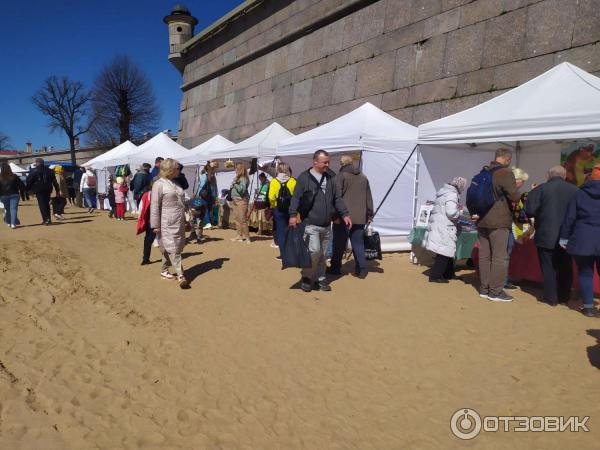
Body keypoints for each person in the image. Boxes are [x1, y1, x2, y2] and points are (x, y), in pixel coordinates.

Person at [289, 150, 351, 293]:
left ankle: (321, 278)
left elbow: (337, 198)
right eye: (325, 162)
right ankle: (307, 276)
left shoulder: (331, 177)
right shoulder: (304, 178)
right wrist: (293, 215)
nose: (328, 165)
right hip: (310, 223)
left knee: (323, 254)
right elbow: (296, 198)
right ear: (315, 162)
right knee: (315, 251)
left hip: (326, 225)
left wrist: (345, 214)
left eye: (328, 162)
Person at [526, 166, 579, 305]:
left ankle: (551, 297)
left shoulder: (541, 189)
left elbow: (530, 210)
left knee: (548, 266)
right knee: (566, 266)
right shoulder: (575, 190)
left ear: (549, 175)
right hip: (568, 235)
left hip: (545, 232)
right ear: (565, 176)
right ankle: (564, 296)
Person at [473, 148, 520, 302]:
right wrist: (517, 187)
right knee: (499, 257)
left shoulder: (483, 172)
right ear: (507, 159)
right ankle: (496, 291)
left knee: (484, 256)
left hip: (482, 219)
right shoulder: (505, 173)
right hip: (499, 221)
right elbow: (514, 196)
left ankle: (484, 289)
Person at [559, 164, 600, 317]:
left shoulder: (579, 193)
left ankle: (588, 307)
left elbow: (570, 217)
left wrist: (564, 237)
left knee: (585, 273)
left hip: (583, 238)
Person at [328, 154, 374, 278]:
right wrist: (370, 213)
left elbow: (335, 197)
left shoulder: (340, 177)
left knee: (339, 243)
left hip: (344, 217)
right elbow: (368, 197)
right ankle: (362, 269)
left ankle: (335, 267)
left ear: (342, 164)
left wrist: (334, 215)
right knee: (358, 243)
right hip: (360, 217)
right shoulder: (363, 177)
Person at [150, 158, 190, 288]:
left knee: (174, 247)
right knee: (173, 249)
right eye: (177, 168)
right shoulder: (158, 184)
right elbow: (154, 206)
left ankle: (163, 271)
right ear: (170, 169)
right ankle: (181, 275)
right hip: (166, 221)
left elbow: (182, 200)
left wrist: (188, 216)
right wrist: (155, 224)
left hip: (178, 220)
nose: (179, 170)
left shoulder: (175, 183)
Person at [423, 177, 468, 283]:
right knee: (443, 252)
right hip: (445, 226)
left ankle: (448, 274)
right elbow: (451, 213)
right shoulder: (452, 194)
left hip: (440, 224)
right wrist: (460, 212)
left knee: (446, 251)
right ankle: (435, 276)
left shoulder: (444, 192)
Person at [503, 167, 530, 290]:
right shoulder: (511, 194)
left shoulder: (507, 192)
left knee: (503, 255)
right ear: (516, 180)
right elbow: (517, 211)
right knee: (505, 255)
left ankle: (502, 280)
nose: (523, 183)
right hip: (507, 227)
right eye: (522, 181)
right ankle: (502, 281)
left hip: (506, 226)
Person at [268, 163, 296, 257]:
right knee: (291, 230)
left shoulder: (274, 181)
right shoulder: (293, 181)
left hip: (278, 209)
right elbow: (297, 196)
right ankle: (292, 252)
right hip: (291, 209)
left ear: (278, 169)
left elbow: (271, 197)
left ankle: (283, 254)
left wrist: (273, 206)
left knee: (280, 231)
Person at [26, 158, 59, 225]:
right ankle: (48, 219)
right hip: (48, 189)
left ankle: (46, 219)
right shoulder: (50, 170)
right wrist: (57, 190)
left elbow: (29, 181)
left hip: (39, 190)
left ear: (37, 163)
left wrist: (28, 190)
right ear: (43, 163)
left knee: (42, 205)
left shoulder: (34, 170)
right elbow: (54, 182)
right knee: (46, 204)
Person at [230, 162, 251, 244]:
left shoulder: (243, 178)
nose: (235, 170)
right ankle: (239, 235)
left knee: (243, 219)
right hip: (235, 200)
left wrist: (234, 185)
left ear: (240, 169)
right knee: (237, 219)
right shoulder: (237, 178)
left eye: (236, 168)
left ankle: (247, 237)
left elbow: (241, 190)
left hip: (241, 200)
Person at [0, 162, 25, 229]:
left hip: (4, 196)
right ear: (9, 168)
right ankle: (13, 223)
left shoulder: (0, 177)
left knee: (8, 209)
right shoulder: (14, 176)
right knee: (13, 209)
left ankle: (8, 222)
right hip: (14, 194)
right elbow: (21, 185)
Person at [137, 189, 155, 266]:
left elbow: (141, 208)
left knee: (148, 239)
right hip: (154, 221)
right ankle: (146, 258)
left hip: (149, 220)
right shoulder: (162, 193)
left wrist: (141, 219)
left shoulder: (146, 195)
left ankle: (145, 258)